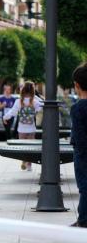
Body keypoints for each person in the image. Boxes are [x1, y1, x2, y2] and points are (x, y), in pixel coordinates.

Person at [3, 81, 42, 171]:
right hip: (31, 128)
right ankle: (29, 165)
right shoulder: (34, 101)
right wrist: (35, 95)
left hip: (21, 129)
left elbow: (12, 112)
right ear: (32, 90)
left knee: (23, 147)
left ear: (23, 90)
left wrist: (5, 117)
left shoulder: (19, 101)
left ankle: (23, 160)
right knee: (31, 148)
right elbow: (42, 105)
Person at [71, 63, 87, 228]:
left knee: (84, 187)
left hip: (83, 155)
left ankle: (83, 221)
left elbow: (79, 136)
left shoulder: (78, 108)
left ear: (77, 85)